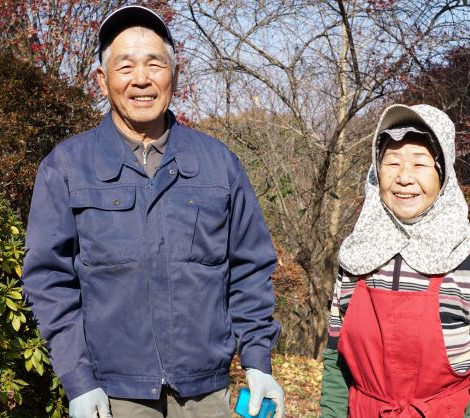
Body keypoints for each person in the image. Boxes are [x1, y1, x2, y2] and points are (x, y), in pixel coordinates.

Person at [21, 5, 284, 418]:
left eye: (154, 64)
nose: (141, 79)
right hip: (111, 396)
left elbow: (249, 268)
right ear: (102, 81)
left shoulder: (219, 164)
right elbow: (49, 281)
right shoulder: (67, 166)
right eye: (124, 66)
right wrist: (77, 379)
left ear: (174, 76)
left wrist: (256, 359)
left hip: (207, 394)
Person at [320, 104, 470, 417]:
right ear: (376, 171)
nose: (404, 178)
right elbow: (336, 362)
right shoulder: (357, 254)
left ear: (444, 175)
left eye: (420, 164)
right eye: (392, 163)